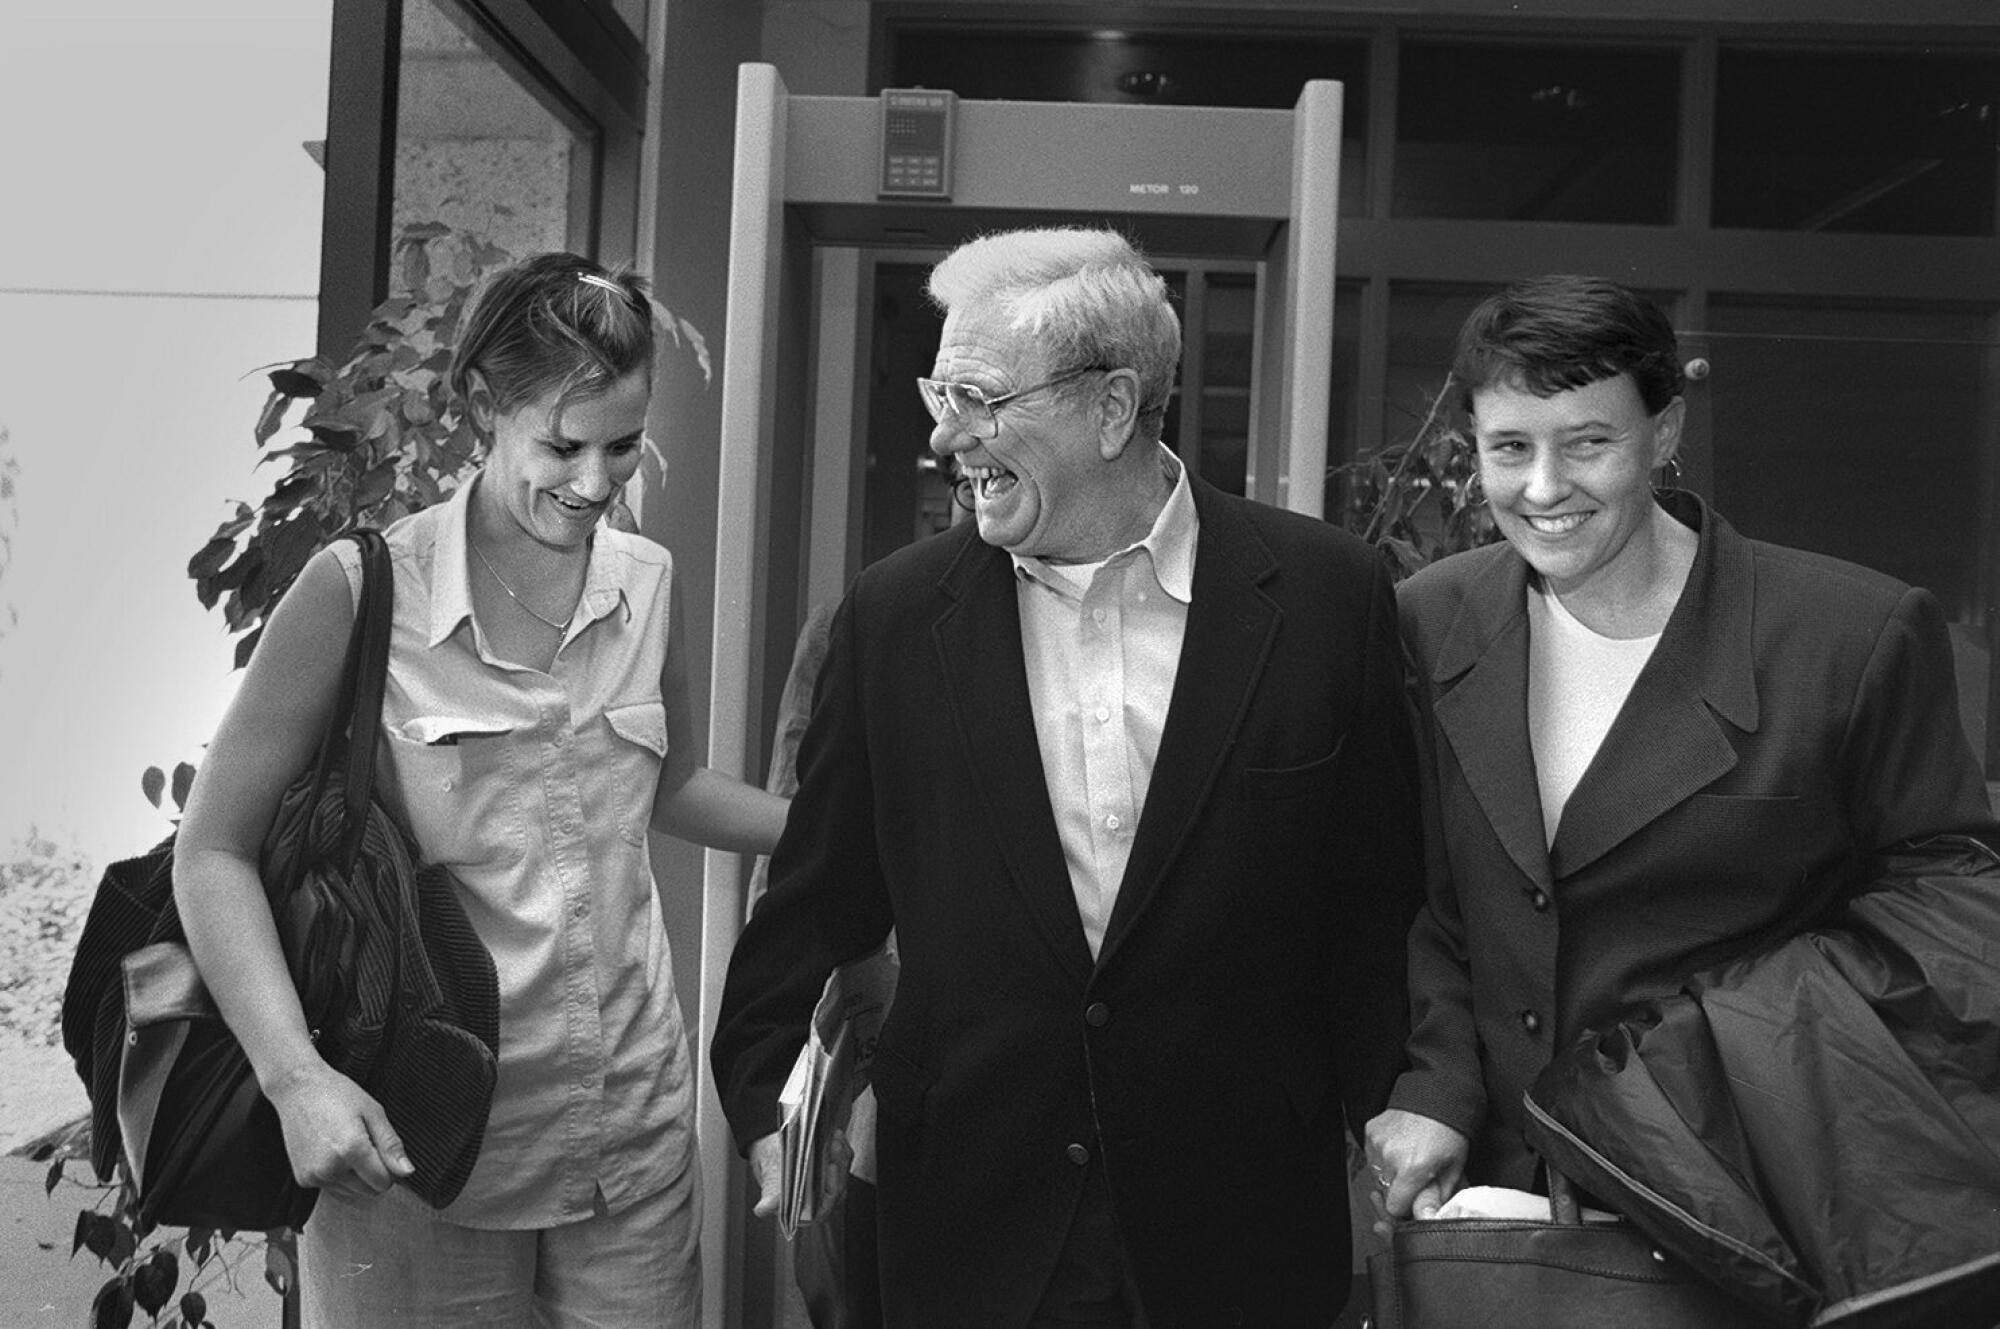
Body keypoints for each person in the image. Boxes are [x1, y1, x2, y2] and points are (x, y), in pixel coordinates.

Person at [711, 227, 1423, 1328]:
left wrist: (1407, 1110)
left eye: (981, 398)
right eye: (939, 394)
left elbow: (1377, 904)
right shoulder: (893, 619)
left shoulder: (1327, 599)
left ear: (1111, 408)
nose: (947, 436)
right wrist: (763, 1098)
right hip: (970, 1226)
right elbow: (818, 893)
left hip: (1238, 1231)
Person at [173, 252, 789, 1325]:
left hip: (625, 1138)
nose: (595, 484)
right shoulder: (360, 591)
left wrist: (844, 831)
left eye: (622, 445)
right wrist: (295, 1081)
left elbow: (667, 784)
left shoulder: (644, 580)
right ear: (479, 410)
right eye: (560, 445)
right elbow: (212, 851)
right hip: (415, 1147)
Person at [1365, 274, 1999, 1225]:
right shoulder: (1429, 618)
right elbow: (1422, 897)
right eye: (1510, 448)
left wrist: (1711, 1057)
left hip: (1749, 1192)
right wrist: (1437, 1081)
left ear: (1663, 433)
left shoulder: (1851, 635)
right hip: (1495, 1191)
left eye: (1588, 442)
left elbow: (1955, 918)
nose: (1543, 489)